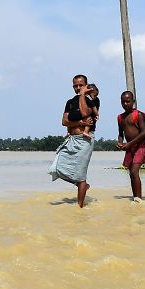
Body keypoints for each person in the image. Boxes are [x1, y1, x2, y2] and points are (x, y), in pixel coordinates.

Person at [48, 75, 94, 207]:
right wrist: (79, 122)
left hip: (85, 140)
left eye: (81, 85)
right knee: (56, 168)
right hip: (72, 139)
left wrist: (82, 95)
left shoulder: (91, 100)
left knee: (81, 175)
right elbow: (64, 121)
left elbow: (85, 113)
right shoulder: (70, 102)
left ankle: (79, 207)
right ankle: (82, 186)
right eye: (75, 85)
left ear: (86, 85)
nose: (78, 87)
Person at [117, 90, 145, 201]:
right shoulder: (120, 117)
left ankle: (139, 198)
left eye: (128, 101)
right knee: (131, 173)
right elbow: (121, 133)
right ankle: (135, 197)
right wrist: (120, 143)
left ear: (133, 101)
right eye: (123, 102)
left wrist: (130, 143)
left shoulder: (138, 115)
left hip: (139, 146)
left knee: (134, 171)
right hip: (129, 148)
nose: (125, 104)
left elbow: (144, 132)